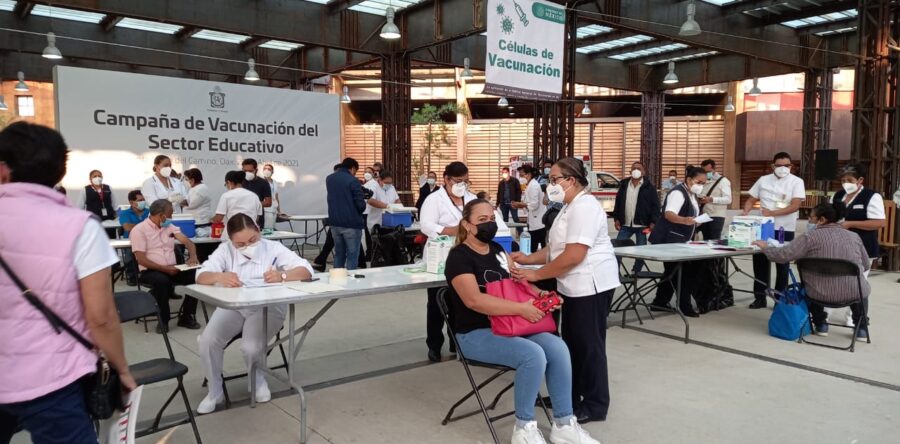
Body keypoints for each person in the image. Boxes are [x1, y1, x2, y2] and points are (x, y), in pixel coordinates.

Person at [0, 121, 136, 443]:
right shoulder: (79, 227)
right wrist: (122, 368)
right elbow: (101, 316)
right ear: (60, 173)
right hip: (52, 378)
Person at [445, 199, 600, 444]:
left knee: (558, 348)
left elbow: (520, 284)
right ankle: (524, 428)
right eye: (482, 220)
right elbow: (474, 301)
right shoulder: (459, 258)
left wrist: (541, 295)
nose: (489, 224)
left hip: (511, 325)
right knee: (532, 355)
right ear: (467, 224)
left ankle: (564, 424)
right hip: (475, 333)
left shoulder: (498, 250)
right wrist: (522, 309)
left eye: (491, 219)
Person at [510, 157, 620, 425]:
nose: (551, 184)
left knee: (588, 347)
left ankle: (595, 404)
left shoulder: (584, 207)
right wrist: (527, 259)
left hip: (590, 285)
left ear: (571, 180)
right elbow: (554, 249)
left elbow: (573, 255)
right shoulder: (568, 207)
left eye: (555, 178)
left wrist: (535, 274)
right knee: (571, 346)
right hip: (572, 286)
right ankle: (568, 396)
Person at [195, 214, 313, 414]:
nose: (247, 246)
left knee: (251, 347)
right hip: (235, 304)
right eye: (240, 244)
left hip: (267, 307)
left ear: (258, 230)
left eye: (252, 240)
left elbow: (306, 271)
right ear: (231, 240)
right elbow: (200, 275)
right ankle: (215, 391)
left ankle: (257, 381)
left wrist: (282, 275)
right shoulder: (225, 250)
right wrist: (219, 276)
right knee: (208, 340)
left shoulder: (273, 248)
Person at [754, 202, 871, 339]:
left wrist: (765, 247)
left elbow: (783, 256)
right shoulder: (854, 237)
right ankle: (861, 328)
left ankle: (821, 324)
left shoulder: (809, 237)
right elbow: (866, 265)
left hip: (818, 293)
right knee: (860, 288)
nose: (809, 220)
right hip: (852, 293)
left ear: (822, 219)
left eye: (811, 217)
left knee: (809, 284)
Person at [420, 161, 478, 361]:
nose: (462, 184)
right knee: (437, 303)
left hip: (466, 256)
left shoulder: (471, 199)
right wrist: (451, 230)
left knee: (461, 302)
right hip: (441, 255)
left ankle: (458, 344)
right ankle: (434, 345)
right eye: (458, 181)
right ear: (446, 179)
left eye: (465, 181)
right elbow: (426, 225)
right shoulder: (434, 199)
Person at [743, 152, 806, 309]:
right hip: (764, 226)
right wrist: (745, 213)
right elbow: (751, 199)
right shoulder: (763, 180)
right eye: (779, 165)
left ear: (791, 166)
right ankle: (759, 297)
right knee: (760, 262)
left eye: (787, 165)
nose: (783, 168)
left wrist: (773, 213)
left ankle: (780, 298)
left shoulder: (797, 182)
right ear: (773, 166)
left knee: (782, 263)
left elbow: (795, 205)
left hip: (784, 227)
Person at [132, 199, 202, 333]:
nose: (171, 217)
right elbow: (141, 259)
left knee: (197, 275)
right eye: (170, 214)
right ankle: (163, 320)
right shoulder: (139, 230)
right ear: (161, 215)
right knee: (162, 281)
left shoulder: (169, 226)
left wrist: (193, 256)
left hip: (172, 268)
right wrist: (165, 269)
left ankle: (186, 316)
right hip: (151, 271)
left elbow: (188, 242)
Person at [648, 166, 708, 317]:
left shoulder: (692, 194)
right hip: (668, 239)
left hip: (680, 239)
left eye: (703, 183)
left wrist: (696, 221)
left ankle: (659, 301)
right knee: (680, 272)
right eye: (698, 182)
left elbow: (690, 214)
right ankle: (684, 305)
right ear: (688, 179)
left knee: (672, 271)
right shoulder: (677, 193)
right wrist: (685, 220)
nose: (700, 185)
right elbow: (669, 214)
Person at [830, 163, 885, 327]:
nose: (845, 183)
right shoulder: (838, 195)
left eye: (849, 180)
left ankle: (853, 318)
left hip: (863, 247)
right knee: (835, 281)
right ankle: (824, 314)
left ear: (860, 180)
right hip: (839, 246)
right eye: (843, 180)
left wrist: (850, 223)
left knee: (858, 284)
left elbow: (879, 222)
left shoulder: (871, 196)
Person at [612, 161, 659, 273]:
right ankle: (614, 272)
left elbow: (656, 206)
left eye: (638, 168)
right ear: (630, 171)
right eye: (634, 168)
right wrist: (616, 219)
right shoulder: (624, 185)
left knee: (641, 252)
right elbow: (618, 203)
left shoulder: (649, 187)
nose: (636, 170)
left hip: (642, 225)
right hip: (625, 224)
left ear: (643, 172)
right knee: (616, 250)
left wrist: (653, 222)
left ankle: (635, 272)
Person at [325, 157, 366, 270]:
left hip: (335, 223)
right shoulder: (353, 181)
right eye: (355, 171)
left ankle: (337, 279)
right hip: (351, 224)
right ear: (353, 168)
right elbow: (361, 206)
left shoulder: (329, 179)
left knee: (339, 254)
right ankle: (350, 282)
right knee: (352, 256)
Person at [212, 171, 264, 236]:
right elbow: (257, 218)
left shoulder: (226, 196)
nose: (226, 186)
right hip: (251, 232)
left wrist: (211, 220)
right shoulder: (254, 196)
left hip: (233, 233)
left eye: (226, 184)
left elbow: (218, 219)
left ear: (229, 182)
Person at [313, 163, 343, 272]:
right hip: (339, 218)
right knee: (332, 243)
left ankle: (320, 260)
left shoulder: (335, 183)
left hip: (339, 218)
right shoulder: (335, 184)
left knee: (331, 243)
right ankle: (321, 260)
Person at [119, 190, 149, 286]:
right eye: (140, 200)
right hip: (131, 240)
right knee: (129, 251)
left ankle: (147, 276)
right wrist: (145, 226)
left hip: (148, 239)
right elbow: (127, 227)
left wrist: (135, 226)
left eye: (143, 199)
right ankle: (131, 275)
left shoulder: (150, 211)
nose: (143, 202)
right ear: (131, 202)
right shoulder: (125, 213)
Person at [514, 165, 547, 252]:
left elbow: (534, 204)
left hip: (538, 220)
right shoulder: (530, 185)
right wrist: (521, 204)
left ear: (528, 174)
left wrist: (521, 205)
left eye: (522, 174)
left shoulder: (534, 186)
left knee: (539, 244)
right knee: (536, 244)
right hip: (534, 220)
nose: (520, 177)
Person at [698, 159, 732, 240]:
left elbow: (728, 199)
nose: (706, 174)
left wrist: (712, 199)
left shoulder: (723, 181)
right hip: (703, 214)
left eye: (708, 171)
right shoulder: (702, 181)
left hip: (717, 216)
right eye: (704, 172)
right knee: (705, 239)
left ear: (714, 169)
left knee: (714, 240)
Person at [363, 169, 390, 263]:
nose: (388, 184)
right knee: (374, 244)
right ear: (380, 180)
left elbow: (396, 199)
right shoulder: (374, 187)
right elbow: (370, 201)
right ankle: (373, 259)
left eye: (390, 182)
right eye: (386, 182)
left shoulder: (390, 188)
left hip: (386, 220)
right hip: (374, 220)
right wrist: (387, 206)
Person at [241, 159, 272, 227]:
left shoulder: (263, 183)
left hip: (257, 220)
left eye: (250, 171)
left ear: (256, 170)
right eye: (245, 171)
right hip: (240, 219)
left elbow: (268, 203)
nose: (247, 173)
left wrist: (252, 204)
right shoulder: (238, 182)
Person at [261, 163, 286, 230]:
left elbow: (276, 196)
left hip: (274, 208)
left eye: (269, 169)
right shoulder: (261, 182)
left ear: (272, 172)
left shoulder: (274, 182)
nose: (267, 170)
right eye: (265, 169)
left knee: (272, 228)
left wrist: (279, 211)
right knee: (267, 228)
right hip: (266, 210)